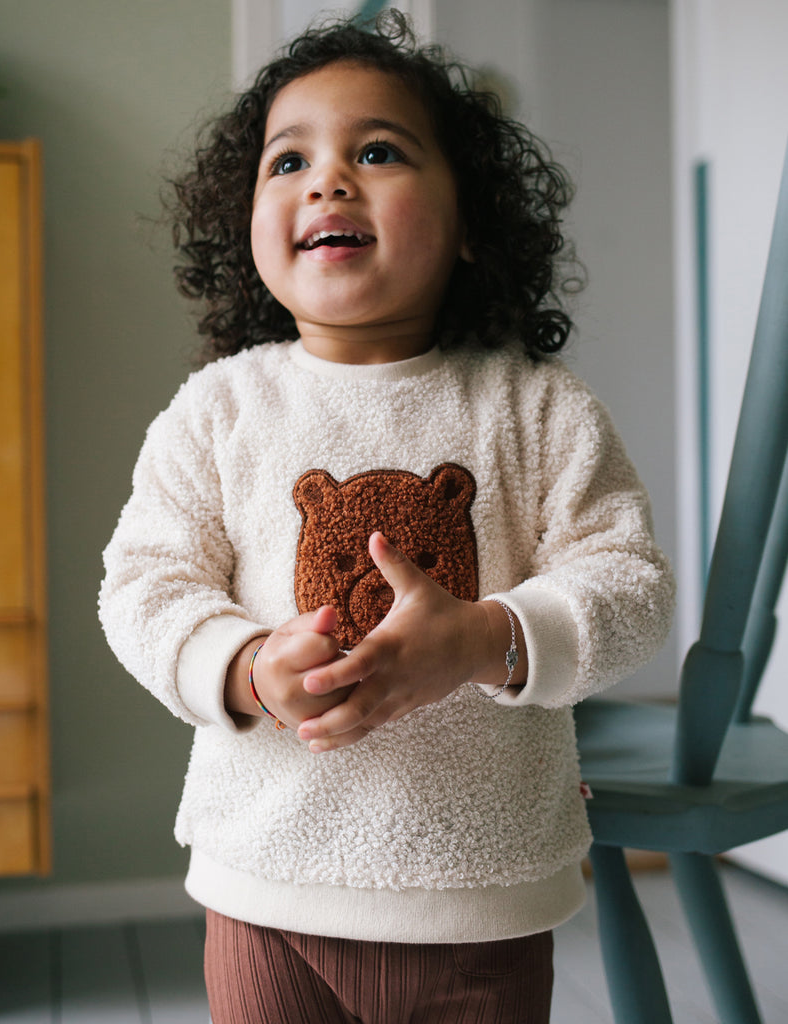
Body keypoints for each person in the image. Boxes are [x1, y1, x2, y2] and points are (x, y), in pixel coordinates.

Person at [99, 11, 675, 1023]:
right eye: (288, 161)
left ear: (468, 224)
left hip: (476, 896)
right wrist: (242, 668)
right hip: (262, 883)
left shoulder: (534, 407)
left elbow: (627, 586)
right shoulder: (222, 408)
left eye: (376, 150)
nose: (327, 179)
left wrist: (489, 637)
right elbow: (143, 583)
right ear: (248, 225)